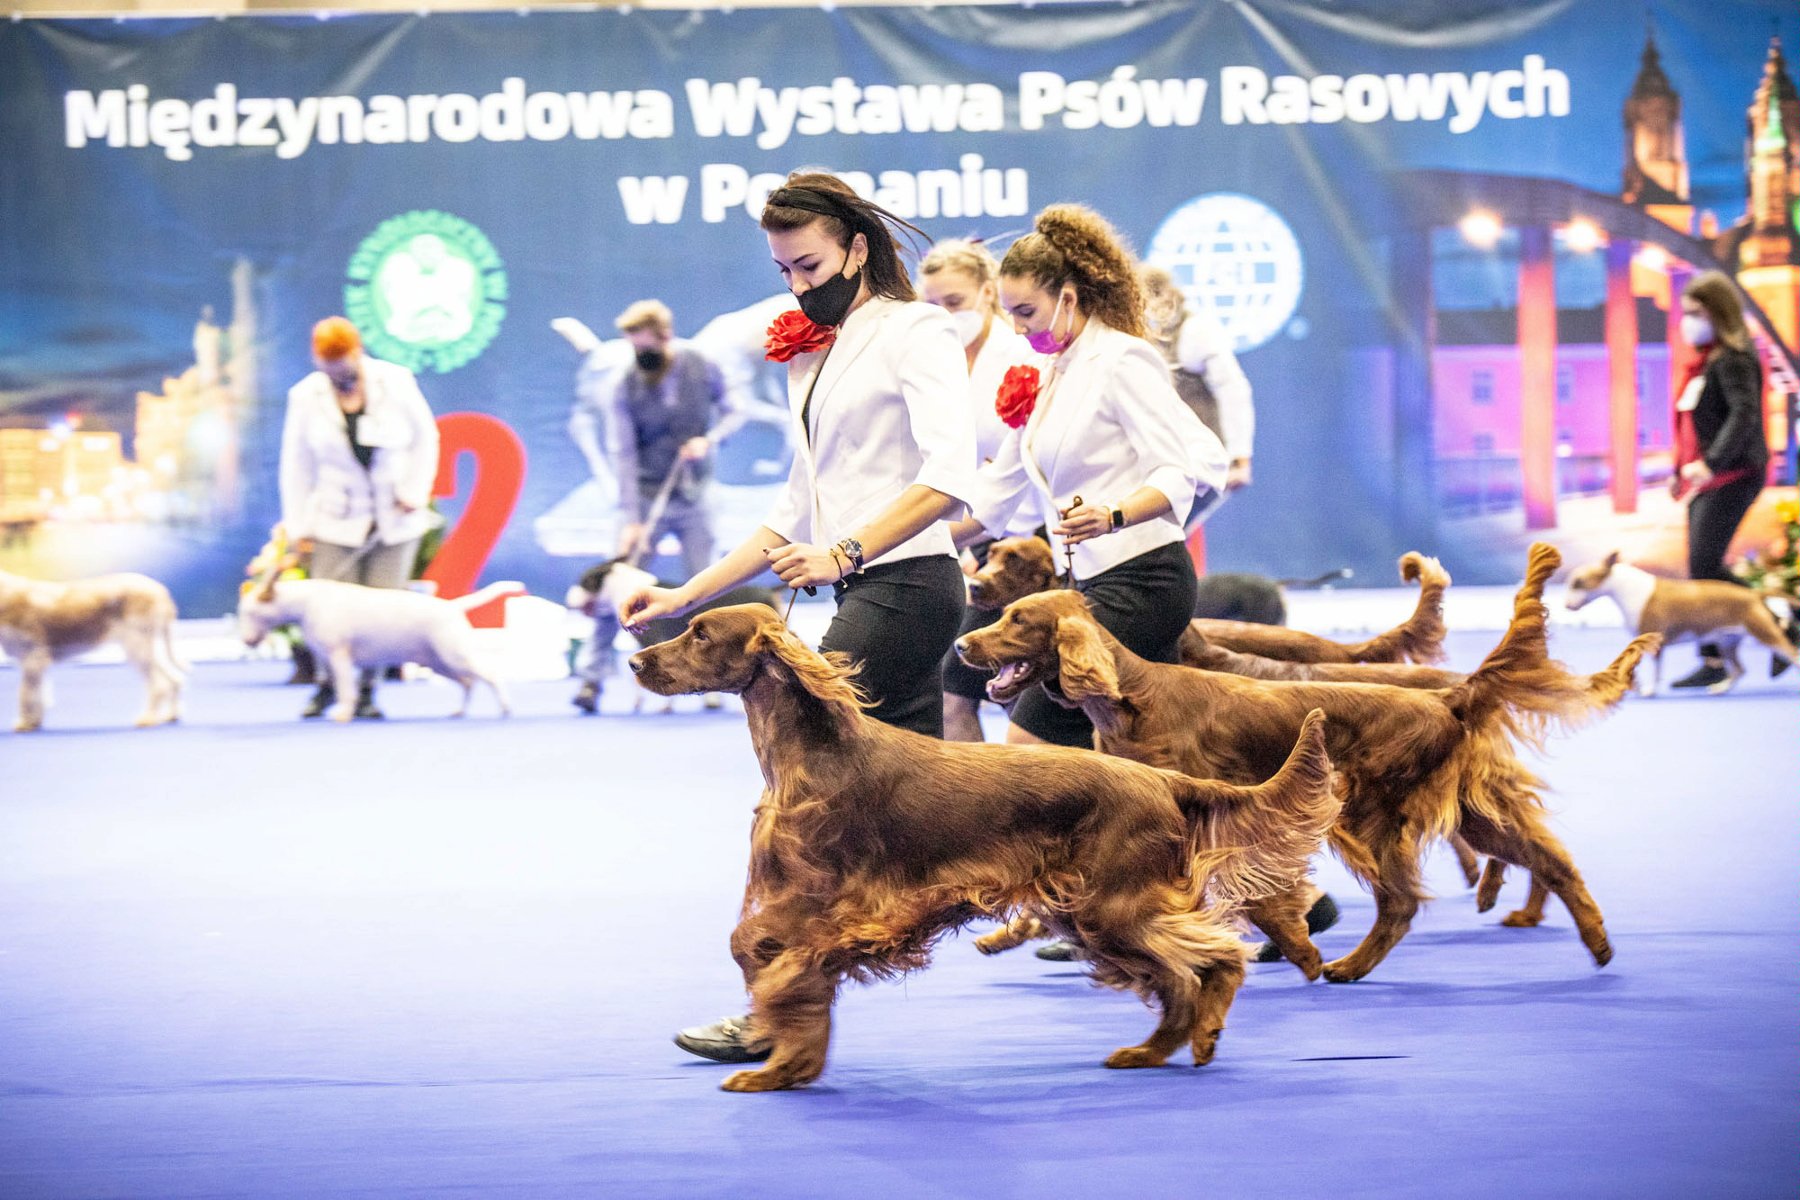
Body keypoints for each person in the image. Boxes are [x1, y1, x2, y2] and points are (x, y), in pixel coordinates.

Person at [619, 171, 976, 1064]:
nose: (797, 286)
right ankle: (796, 1001)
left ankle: (777, 1012)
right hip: (865, 589)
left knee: (796, 814)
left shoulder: (916, 328)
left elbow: (949, 475)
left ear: (858, 248)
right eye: (782, 271)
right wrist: (684, 596)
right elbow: (790, 510)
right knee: (866, 820)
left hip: (907, 587)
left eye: (808, 264)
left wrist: (845, 554)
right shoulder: (818, 354)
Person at [953, 204, 1226, 751]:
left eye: (1027, 311)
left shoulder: (1123, 360)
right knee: (1134, 757)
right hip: (1087, 584)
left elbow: (1177, 473)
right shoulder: (1049, 373)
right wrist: (901, 542)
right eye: (1011, 314)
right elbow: (993, 498)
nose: (1019, 328)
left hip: (1144, 580)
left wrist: (1113, 514)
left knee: (1031, 744)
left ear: (1069, 298)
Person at [279, 317, 441, 720]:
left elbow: (427, 439)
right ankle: (326, 686)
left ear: (356, 352)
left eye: (341, 365)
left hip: (394, 520)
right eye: (326, 367)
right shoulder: (304, 396)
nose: (335, 375)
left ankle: (368, 691)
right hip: (335, 520)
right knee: (325, 616)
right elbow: (295, 467)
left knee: (383, 614)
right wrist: (298, 528)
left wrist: (415, 491)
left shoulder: (397, 382)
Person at [918, 238, 1043, 741]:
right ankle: (974, 814)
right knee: (954, 695)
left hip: (1031, 545)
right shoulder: (932, 362)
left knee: (1026, 702)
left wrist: (964, 542)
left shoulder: (1023, 357)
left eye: (954, 303)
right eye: (932, 305)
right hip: (969, 537)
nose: (944, 316)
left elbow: (1017, 469)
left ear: (989, 292)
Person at [1669, 271, 1774, 690]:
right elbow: (1696, 424)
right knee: (1703, 571)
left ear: (1716, 312)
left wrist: (1710, 463)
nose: (1688, 321)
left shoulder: (1734, 358)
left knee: (1708, 567)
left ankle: (1786, 621)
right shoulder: (1708, 360)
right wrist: (1684, 471)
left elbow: (1743, 415)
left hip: (1735, 472)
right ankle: (1713, 659)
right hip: (1709, 475)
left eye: (1695, 313)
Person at [606, 300, 728, 580]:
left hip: (696, 494)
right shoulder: (623, 384)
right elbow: (623, 453)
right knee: (621, 580)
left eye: (646, 349)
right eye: (635, 348)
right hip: (647, 496)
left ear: (666, 336)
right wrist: (632, 520)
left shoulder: (702, 365)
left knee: (708, 583)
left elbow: (735, 411)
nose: (640, 356)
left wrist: (709, 440)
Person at [1139, 265, 1255, 497]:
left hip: (1200, 456)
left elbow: (1232, 390)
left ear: (1168, 297)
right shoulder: (1138, 335)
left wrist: (1240, 457)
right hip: (1165, 455)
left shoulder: (1196, 331)